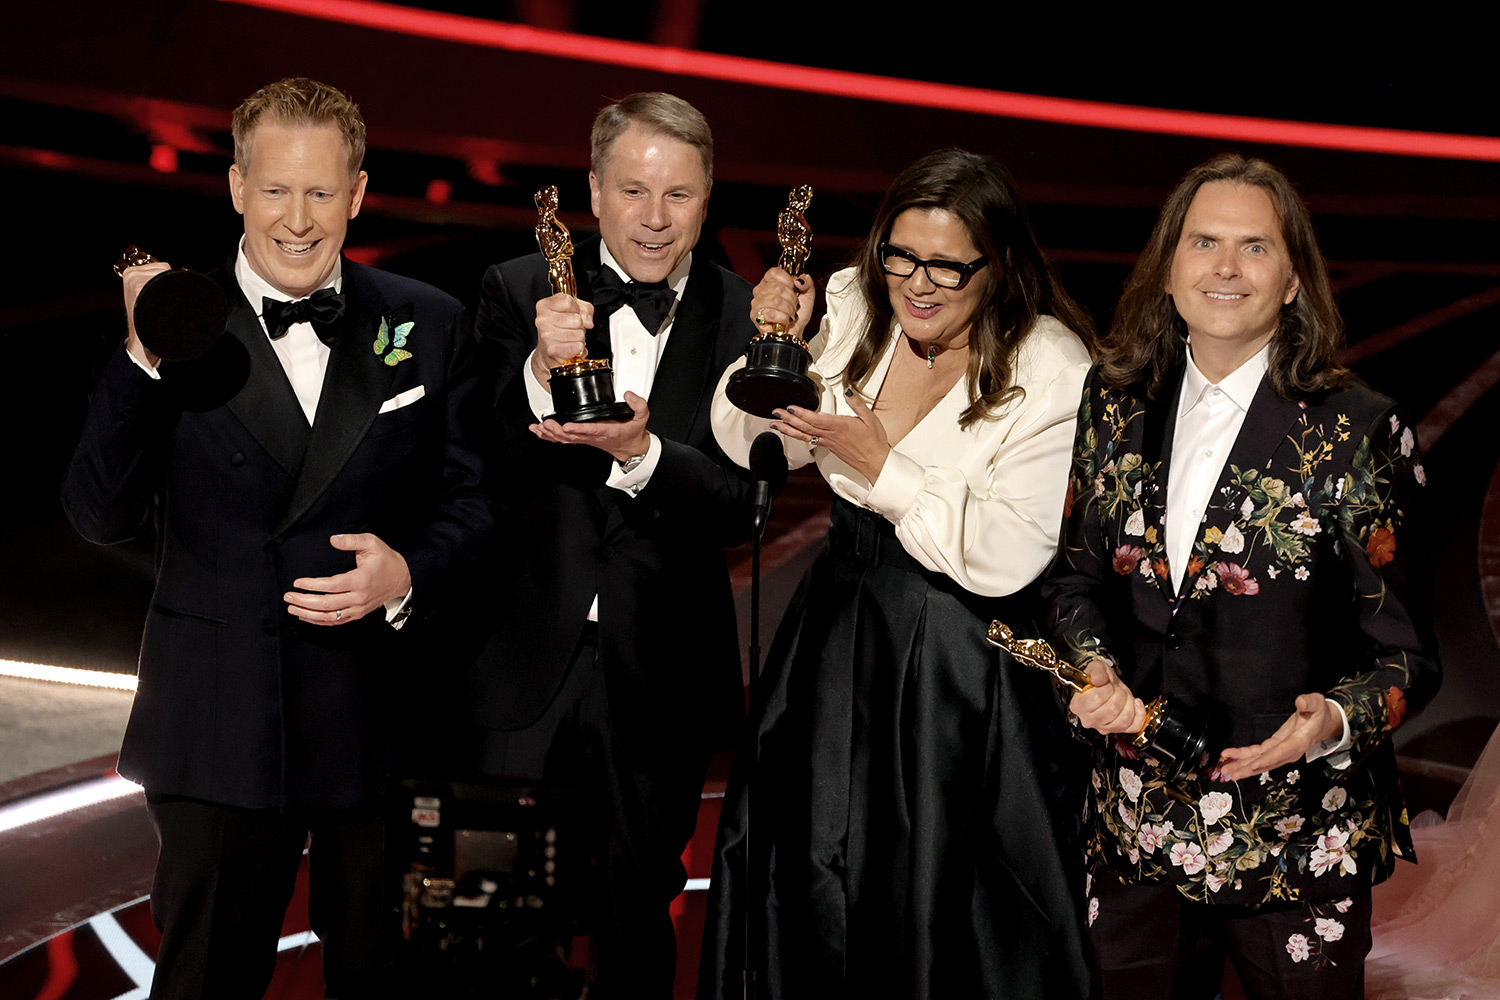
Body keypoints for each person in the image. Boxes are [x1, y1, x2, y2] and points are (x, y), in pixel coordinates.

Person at [62, 77, 490, 999]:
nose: (298, 221)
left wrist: (409, 571)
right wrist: (142, 353)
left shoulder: (428, 320)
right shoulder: (177, 325)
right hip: (218, 724)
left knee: (388, 981)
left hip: (380, 722)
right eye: (275, 190)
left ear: (360, 194)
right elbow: (99, 514)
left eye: (322, 193)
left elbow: (476, 505)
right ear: (234, 188)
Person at [1043, 153, 1441, 1000]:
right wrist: (1093, 669)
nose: (1225, 268)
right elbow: (1074, 585)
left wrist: (1331, 719)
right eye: (1204, 243)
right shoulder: (1113, 403)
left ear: (1294, 279)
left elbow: (1406, 656)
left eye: (1254, 247)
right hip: (1137, 829)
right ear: (1170, 268)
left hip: (1298, 834)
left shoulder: (1358, 431)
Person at [702, 148, 1096, 999]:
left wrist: (885, 468)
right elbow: (753, 446)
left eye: (948, 267)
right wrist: (784, 343)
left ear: (1000, 265)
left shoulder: (1051, 363)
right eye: (901, 257)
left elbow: (1009, 550)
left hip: (961, 650)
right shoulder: (848, 299)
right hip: (838, 621)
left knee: (932, 880)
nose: (917, 284)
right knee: (810, 856)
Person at [466, 92, 755, 996]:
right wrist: (535, 372)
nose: (655, 219)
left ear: (708, 200)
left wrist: (645, 456)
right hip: (520, 658)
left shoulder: (749, 316)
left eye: (680, 196)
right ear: (594, 190)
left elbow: (746, 503)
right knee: (496, 915)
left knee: (639, 909)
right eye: (633, 190)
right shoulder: (517, 289)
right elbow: (472, 457)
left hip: (660, 668)